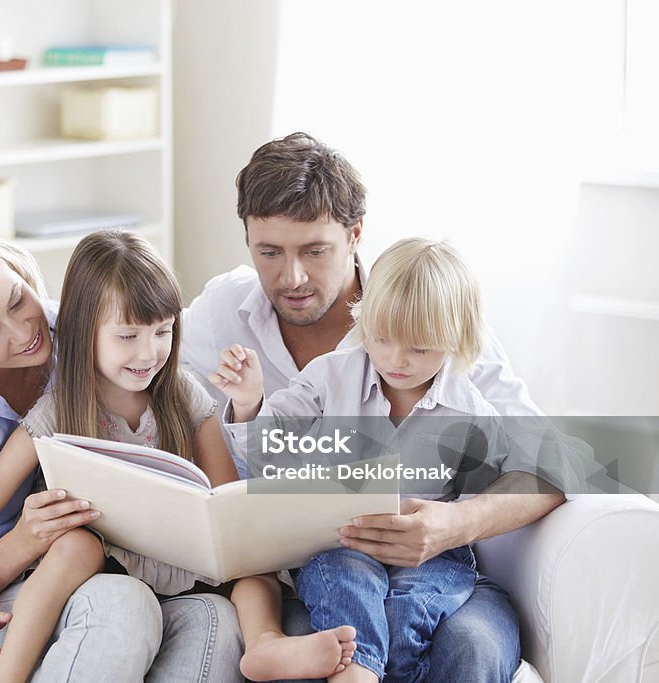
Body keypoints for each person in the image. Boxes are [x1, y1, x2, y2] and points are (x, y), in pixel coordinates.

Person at [181, 133, 566, 682]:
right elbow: (128, 345)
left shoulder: (433, 316)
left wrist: (454, 523)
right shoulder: (227, 312)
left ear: (355, 234)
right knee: (343, 590)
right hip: (312, 561)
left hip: (431, 559)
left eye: (314, 250)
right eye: (269, 252)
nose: (290, 277)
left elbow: (553, 462)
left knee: (469, 642)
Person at [0, 229, 357, 683]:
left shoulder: (182, 393)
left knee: (252, 557)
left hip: (188, 571)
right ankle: (9, 676)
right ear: (85, 332)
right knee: (75, 545)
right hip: (104, 566)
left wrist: (246, 409)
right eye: (127, 336)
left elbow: (224, 502)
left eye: (162, 331)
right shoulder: (57, 411)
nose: (149, 352)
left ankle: (264, 643)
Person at [0, 224, 243, 682]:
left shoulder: (92, 334)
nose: (25, 330)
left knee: (213, 620)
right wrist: (19, 548)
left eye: (17, 300)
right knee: (121, 602)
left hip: (127, 564)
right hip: (18, 582)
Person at [215, 238, 521, 682]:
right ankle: (357, 672)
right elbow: (269, 448)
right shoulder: (329, 375)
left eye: (420, 348)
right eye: (382, 339)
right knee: (343, 577)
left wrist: (459, 517)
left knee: (409, 609)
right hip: (342, 543)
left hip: (430, 557)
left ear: (456, 340)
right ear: (365, 320)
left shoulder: (469, 408)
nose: (396, 360)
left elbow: (507, 483)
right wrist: (249, 404)